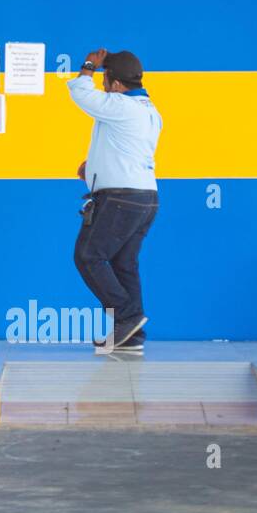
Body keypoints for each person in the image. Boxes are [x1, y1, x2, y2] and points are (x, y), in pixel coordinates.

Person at [68, 48, 163, 355]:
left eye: (105, 78)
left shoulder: (122, 105)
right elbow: (125, 149)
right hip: (145, 198)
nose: (102, 84)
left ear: (116, 83)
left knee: (87, 256)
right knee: (124, 264)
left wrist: (88, 67)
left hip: (122, 199)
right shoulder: (149, 110)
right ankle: (131, 337)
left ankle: (127, 315)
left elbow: (82, 94)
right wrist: (94, 166)